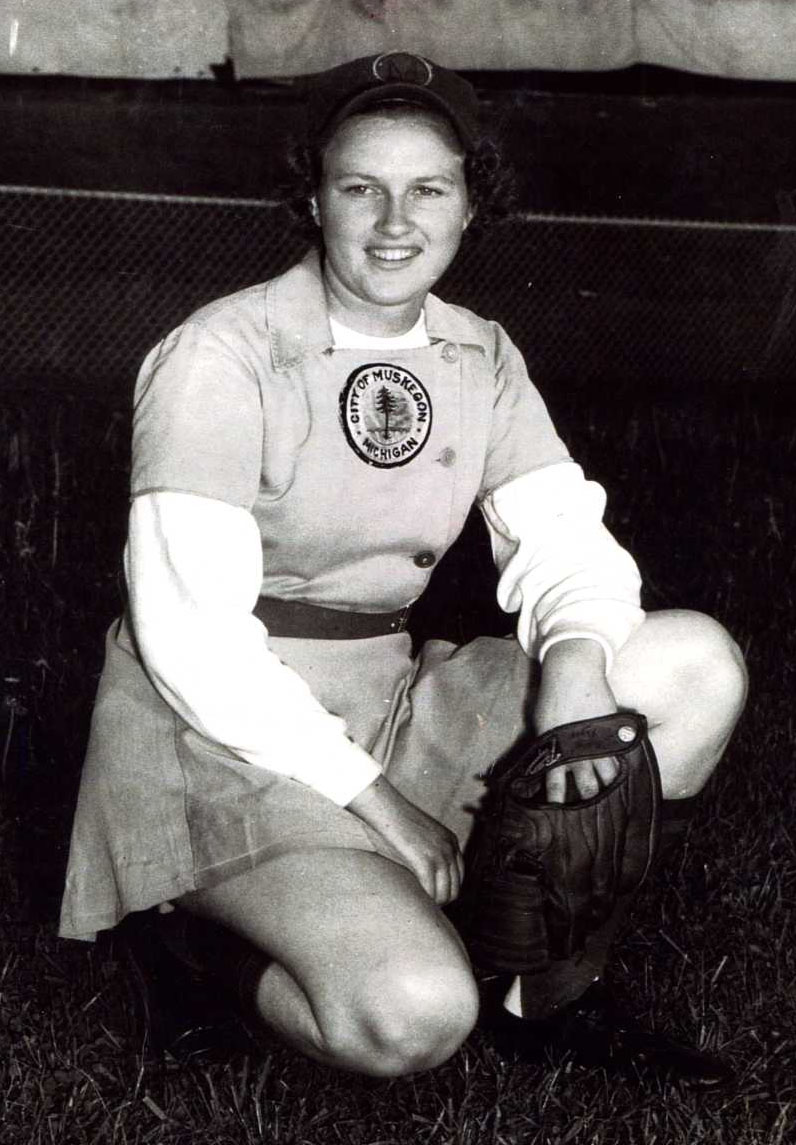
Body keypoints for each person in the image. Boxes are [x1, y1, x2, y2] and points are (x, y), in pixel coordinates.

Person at [59, 51, 747, 1083]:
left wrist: (573, 666)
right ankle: (191, 944)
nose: (394, 221)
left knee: (692, 664)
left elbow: (561, 532)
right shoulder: (220, 355)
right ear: (311, 200)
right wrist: (382, 802)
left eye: (427, 188)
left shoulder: (479, 352)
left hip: (386, 695)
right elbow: (192, 641)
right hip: (215, 734)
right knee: (414, 1016)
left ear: (472, 205)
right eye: (359, 188)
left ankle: (543, 982)